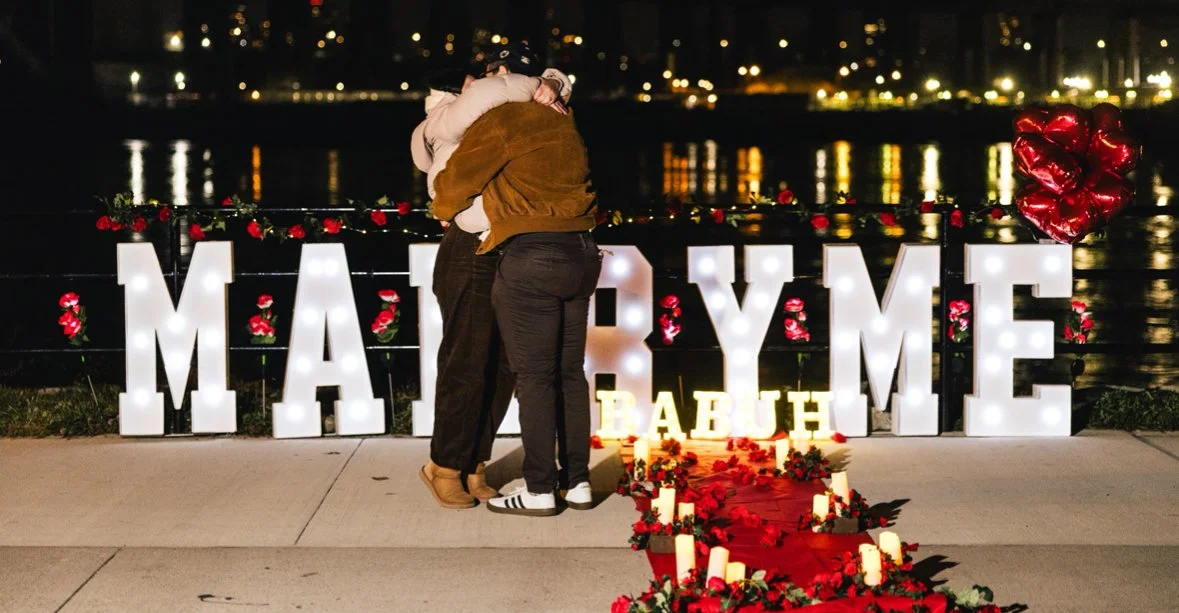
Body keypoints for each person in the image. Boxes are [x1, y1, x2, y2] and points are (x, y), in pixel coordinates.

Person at [431, 54, 600, 517]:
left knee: (518, 371)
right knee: (487, 362)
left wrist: (449, 207)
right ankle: (451, 465)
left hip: (520, 249)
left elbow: (449, 188)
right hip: (537, 248)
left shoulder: (507, 119)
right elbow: (432, 150)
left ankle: (501, 474)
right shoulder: (559, 118)